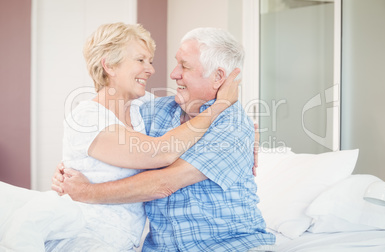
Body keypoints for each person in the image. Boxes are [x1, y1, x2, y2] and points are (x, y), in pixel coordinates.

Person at [0, 23, 239, 252]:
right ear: (110, 66)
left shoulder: (142, 108)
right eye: (140, 60)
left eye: (150, 60)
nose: (151, 69)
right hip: (82, 233)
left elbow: (190, 117)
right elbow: (160, 152)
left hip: (124, 241)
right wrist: (220, 106)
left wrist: (246, 136)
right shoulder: (86, 117)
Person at [53, 27, 276, 251]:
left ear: (218, 77)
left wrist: (86, 192)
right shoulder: (154, 111)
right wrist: (72, 168)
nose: (172, 73)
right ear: (109, 65)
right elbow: (144, 147)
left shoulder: (231, 124)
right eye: (141, 59)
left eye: (184, 66)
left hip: (227, 246)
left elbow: (164, 183)